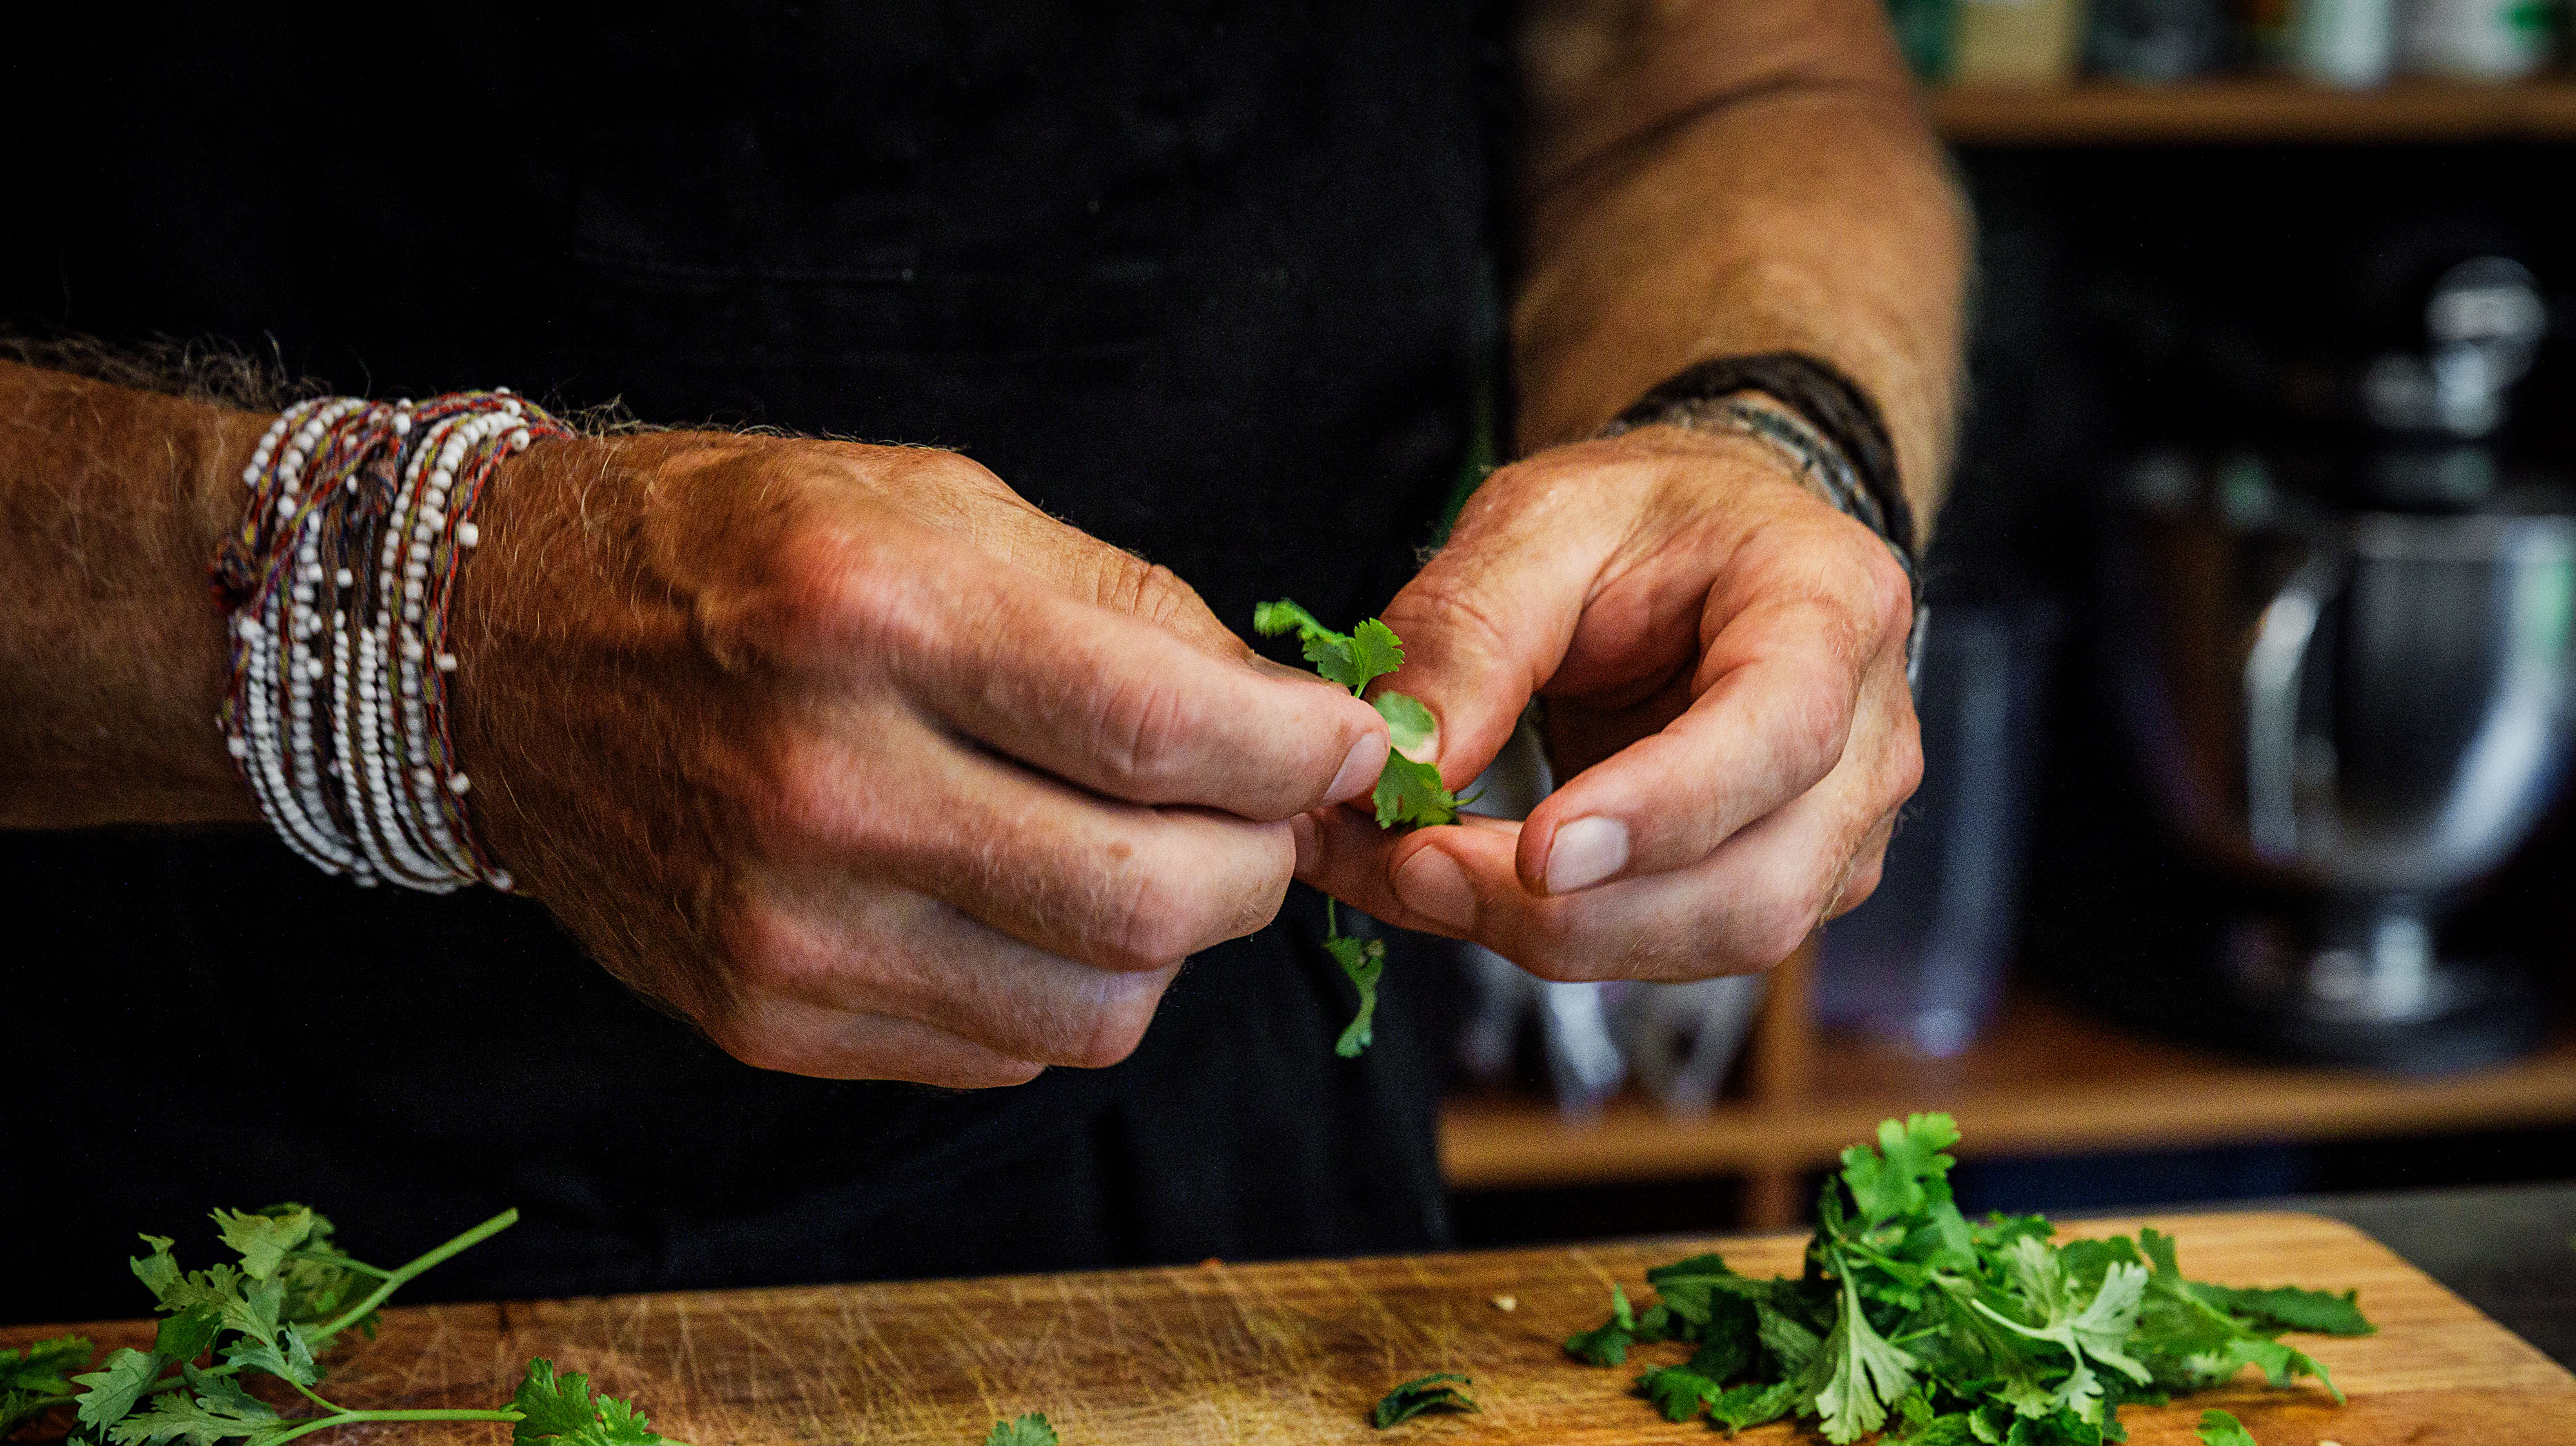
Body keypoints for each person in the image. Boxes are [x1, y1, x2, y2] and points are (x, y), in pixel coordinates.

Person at [0, 2, 1965, 1311]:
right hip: (156, 1209)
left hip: (1197, 1172)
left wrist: (1767, 439)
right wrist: (426, 624)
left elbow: (1717, 71)